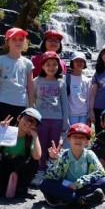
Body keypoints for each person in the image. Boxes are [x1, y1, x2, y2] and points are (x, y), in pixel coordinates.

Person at [40, 123, 105, 207]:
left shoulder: (89, 154)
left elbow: (101, 172)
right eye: (75, 137)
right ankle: (82, 199)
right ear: (69, 139)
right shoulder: (64, 154)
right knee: (44, 183)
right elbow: (53, 177)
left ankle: (71, 200)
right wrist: (53, 160)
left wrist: (79, 183)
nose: (78, 140)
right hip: (67, 187)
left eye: (82, 137)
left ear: (87, 142)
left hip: (83, 186)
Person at [0, 108, 42, 198]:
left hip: (18, 169)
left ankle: (19, 188)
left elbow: (37, 156)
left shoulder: (31, 138)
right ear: (19, 118)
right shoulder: (7, 131)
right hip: (2, 169)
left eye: (33, 122)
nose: (29, 123)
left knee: (33, 162)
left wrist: (35, 136)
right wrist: (0, 132)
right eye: (27, 119)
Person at [32, 51, 70, 182]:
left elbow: (65, 103)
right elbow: (31, 101)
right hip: (41, 120)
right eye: (48, 64)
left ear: (58, 66)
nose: (51, 67)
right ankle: (40, 171)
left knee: (53, 146)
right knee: (41, 145)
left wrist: (66, 121)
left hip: (57, 119)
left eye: (54, 64)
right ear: (42, 66)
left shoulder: (61, 82)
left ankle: (52, 171)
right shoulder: (36, 81)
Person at [0, 28, 34, 125]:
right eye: (14, 39)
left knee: (18, 137)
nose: (18, 42)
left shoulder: (28, 63)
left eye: (21, 39)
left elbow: (30, 87)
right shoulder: (0, 60)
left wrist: (30, 108)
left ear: (25, 42)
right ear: (7, 42)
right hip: (3, 103)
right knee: (1, 135)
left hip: (22, 105)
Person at [66, 52, 91, 128]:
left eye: (81, 61)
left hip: (84, 114)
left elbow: (89, 98)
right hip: (71, 114)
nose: (79, 63)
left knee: (83, 136)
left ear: (85, 63)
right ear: (72, 63)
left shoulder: (87, 80)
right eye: (76, 61)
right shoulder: (66, 78)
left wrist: (89, 114)